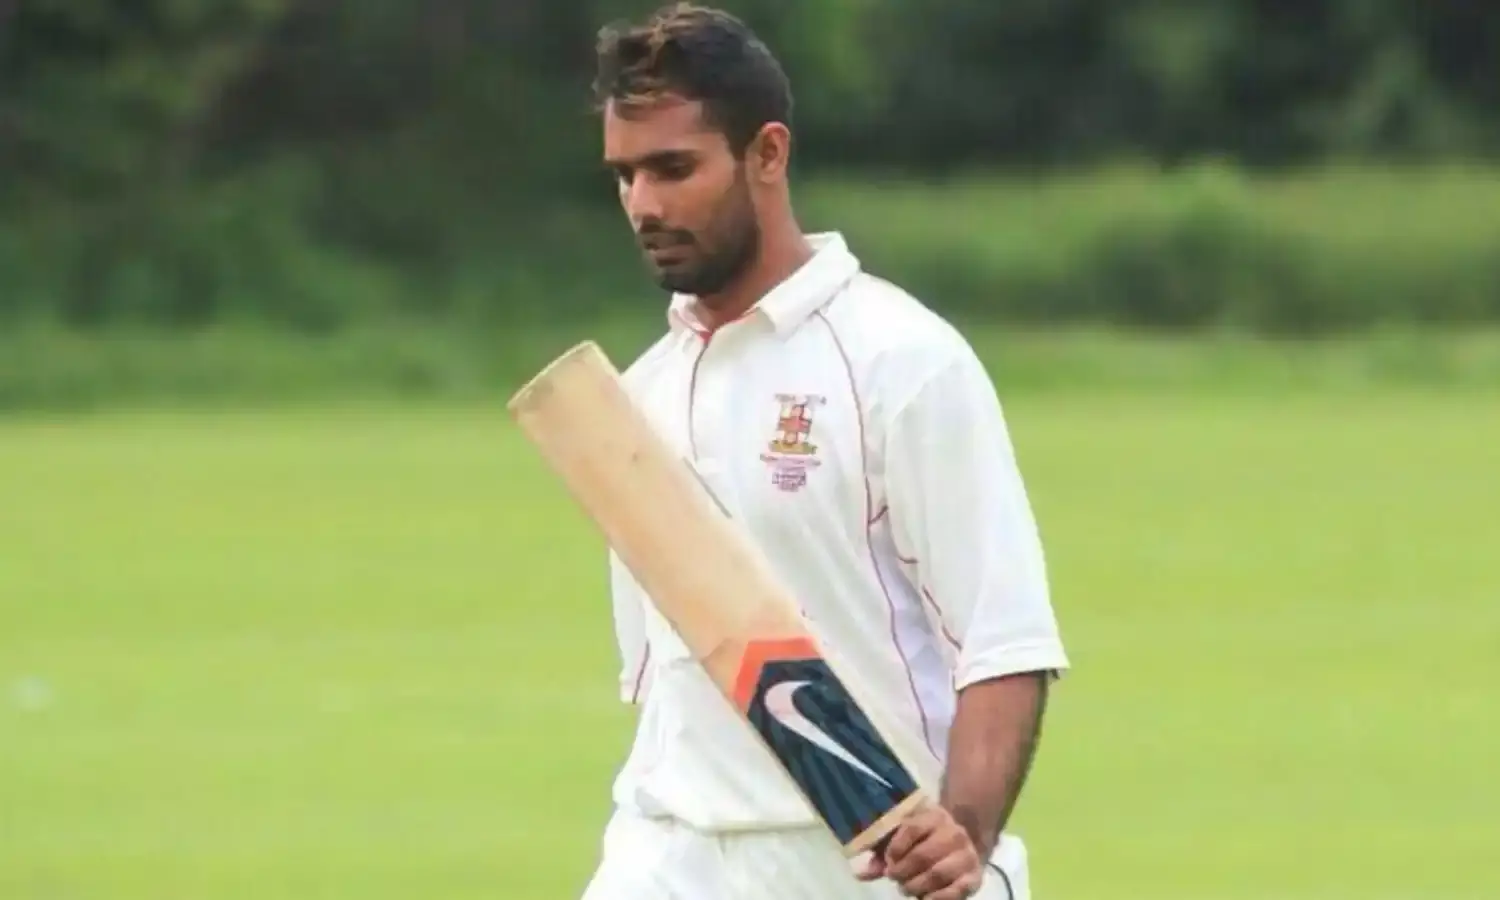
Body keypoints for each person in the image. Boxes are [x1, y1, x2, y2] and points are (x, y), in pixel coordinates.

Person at [580, 5, 1069, 899]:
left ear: (767, 154)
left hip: (863, 858)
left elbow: (1003, 642)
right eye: (625, 175)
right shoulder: (638, 395)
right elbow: (666, 684)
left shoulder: (899, 360)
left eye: (674, 168)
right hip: (668, 850)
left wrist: (964, 831)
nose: (644, 204)